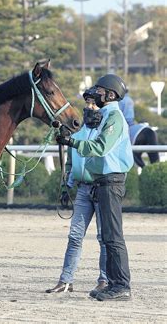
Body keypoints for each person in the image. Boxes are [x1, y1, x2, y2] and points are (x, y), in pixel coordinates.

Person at [56, 74, 134, 301]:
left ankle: (121, 286)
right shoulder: (103, 116)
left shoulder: (115, 118)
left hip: (111, 181)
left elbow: (100, 147)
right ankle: (112, 283)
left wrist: (72, 142)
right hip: (101, 182)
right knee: (108, 236)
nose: (95, 94)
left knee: (113, 236)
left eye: (99, 91)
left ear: (110, 95)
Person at [46, 95, 108, 296]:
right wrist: (66, 187)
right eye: (87, 104)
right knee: (74, 236)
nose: (89, 107)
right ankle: (66, 280)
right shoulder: (79, 134)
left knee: (103, 237)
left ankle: (104, 280)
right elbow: (71, 164)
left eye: (93, 104)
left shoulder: (105, 134)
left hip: (102, 188)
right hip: (82, 190)